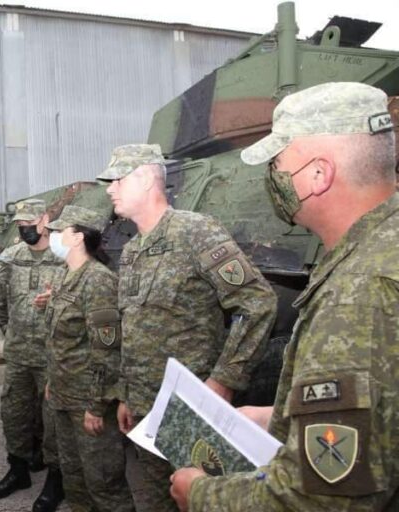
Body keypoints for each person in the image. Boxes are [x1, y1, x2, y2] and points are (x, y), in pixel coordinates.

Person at [170, 83, 399, 510]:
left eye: (277, 162)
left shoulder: (356, 295)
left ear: (318, 175)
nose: (272, 176)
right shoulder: (380, 247)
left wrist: (199, 493)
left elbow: (322, 498)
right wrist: (280, 417)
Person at [96, 144, 277, 511]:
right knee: (155, 500)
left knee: (201, 499)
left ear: (145, 178)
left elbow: (257, 302)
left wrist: (224, 379)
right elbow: (132, 326)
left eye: (117, 179)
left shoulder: (195, 231)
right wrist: (126, 395)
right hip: (146, 411)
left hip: (191, 410)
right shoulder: (131, 251)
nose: (110, 189)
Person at [0, 198, 66, 512]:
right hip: (20, 354)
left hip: (54, 356)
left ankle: (56, 479)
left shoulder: (64, 254)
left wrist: (58, 297)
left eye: (29, 223)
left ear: (45, 219)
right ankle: (18, 469)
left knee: (54, 420)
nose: (24, 229)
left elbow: (85, 289)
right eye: (20, 225)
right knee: (14, 414)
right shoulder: (14, 254)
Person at [39, 205, 135, 512]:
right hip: (63, 396)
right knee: (74, 477)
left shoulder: (97, 281)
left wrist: (96, 406)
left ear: (78, 237)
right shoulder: (65, 274)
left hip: (88, 402)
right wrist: (53, 381)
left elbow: (106, 352)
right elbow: (60, 340)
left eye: (59, 231)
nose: (52, 236)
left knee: (103, 483)